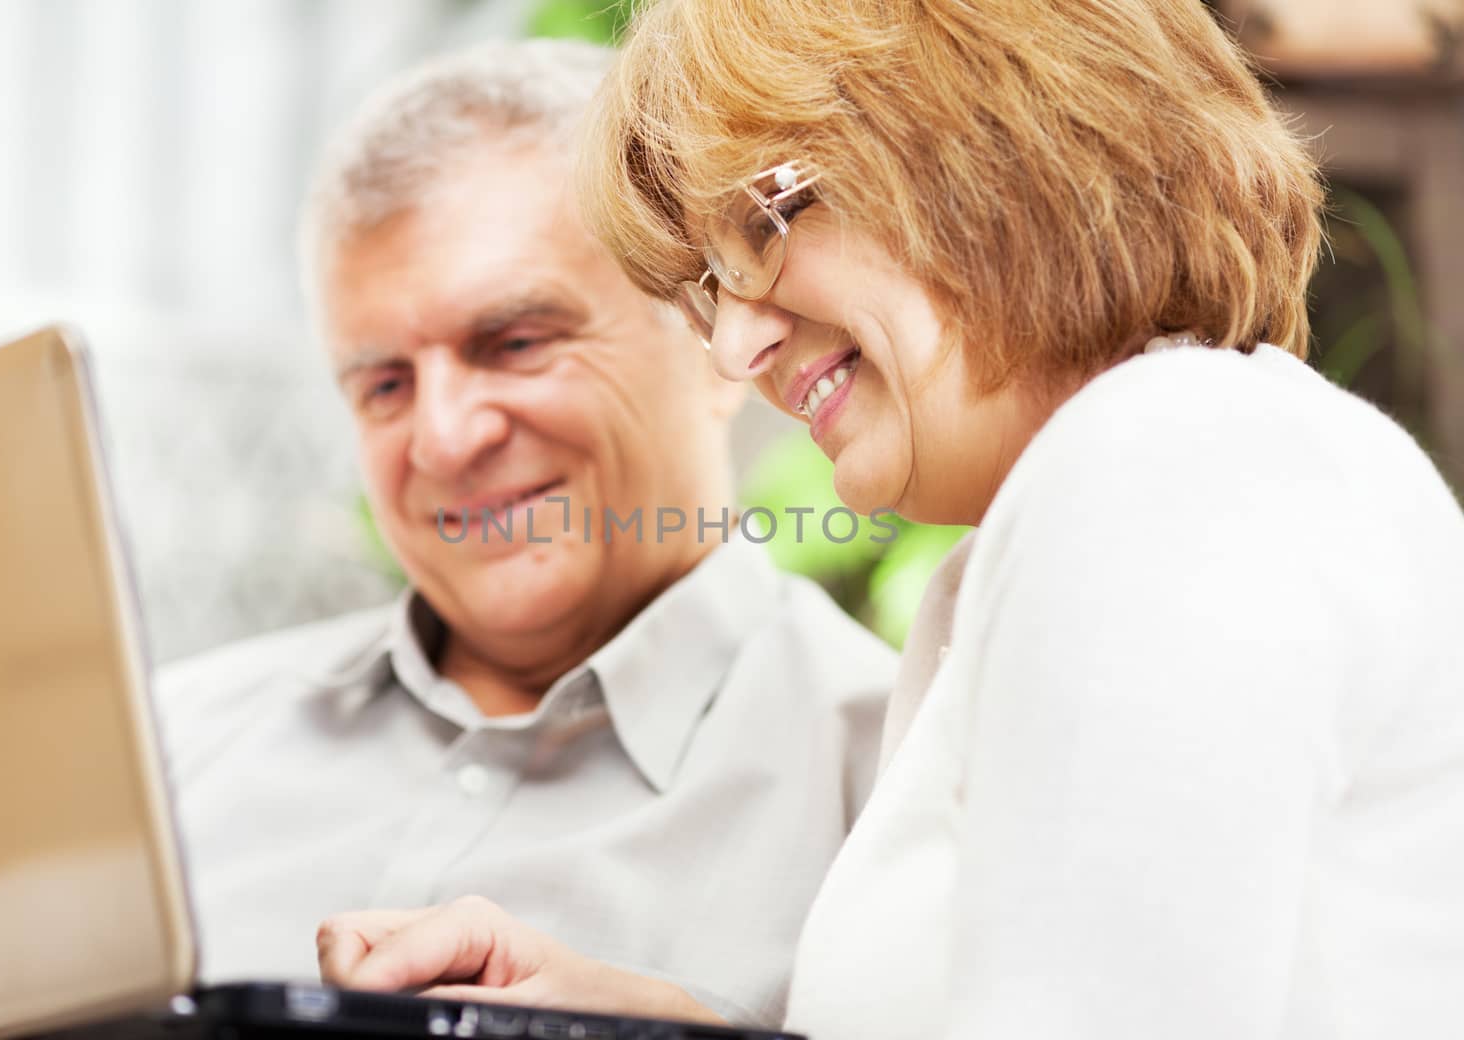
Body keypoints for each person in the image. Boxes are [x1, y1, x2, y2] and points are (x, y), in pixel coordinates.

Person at [315, 2, 1464, 1037]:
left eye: (758, 232)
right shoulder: (1095, 500)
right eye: (707, 291)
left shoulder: (1161, 465)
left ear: (984, 147)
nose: (733, 346)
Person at [155, 36, 896, 1027]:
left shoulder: (898, 778)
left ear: (712, 339)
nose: (446, 437)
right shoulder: (163, 755)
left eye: (515, 343)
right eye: (383, 383)